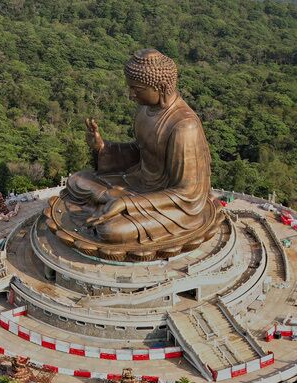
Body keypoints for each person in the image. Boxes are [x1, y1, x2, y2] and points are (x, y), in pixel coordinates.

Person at [50, 49, 220, 261]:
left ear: (159, 87)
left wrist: (128, 204)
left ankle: (112, 202)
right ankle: (110, 199)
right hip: (136, 181)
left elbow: (188, 195)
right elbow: (139, 152)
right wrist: (102, 147)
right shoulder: (144, 110)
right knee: (76, 181)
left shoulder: (184, 126)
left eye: (136, 89)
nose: (131, 95)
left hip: (172, 204)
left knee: (111, 231)